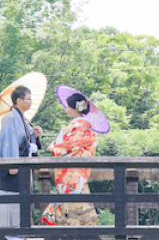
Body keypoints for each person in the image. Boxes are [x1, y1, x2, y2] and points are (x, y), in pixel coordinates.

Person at [41, 87, 109, 226]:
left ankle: (73, 231)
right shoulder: (83, 127)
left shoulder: (78, 127)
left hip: (71, 172)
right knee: (75, 203)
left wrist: (54, 148)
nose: (66, 109)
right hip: (77, 171)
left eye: (68, 106)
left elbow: (69, 147)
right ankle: (76, 231)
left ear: (75, 108)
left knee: (72, 204)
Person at [0, 85, 43, 227]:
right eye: (28, 99)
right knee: (11, 206)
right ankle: (11, 235)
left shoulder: (22, 119)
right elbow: (9, 143)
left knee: (22, 204)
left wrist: (35, 135)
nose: (31, 102)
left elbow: (27, 141)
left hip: (23, 169)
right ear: (19, 100)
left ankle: (22, 233)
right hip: (14, 171)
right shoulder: (10, 118)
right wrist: (12, 165)